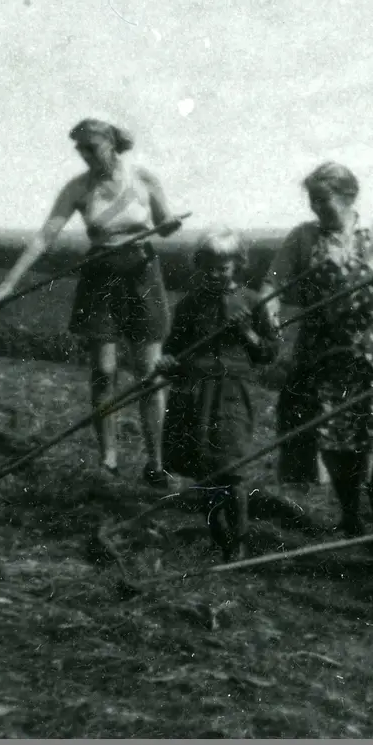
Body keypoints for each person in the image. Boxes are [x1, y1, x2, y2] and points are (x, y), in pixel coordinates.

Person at [0, 118, 182, 488]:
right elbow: (45, 236)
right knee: (103, 372)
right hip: (100, 278)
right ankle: (108, 458)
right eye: (80, 149)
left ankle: (156, 464)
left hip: (142, 275)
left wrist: (169, 224)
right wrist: (8, 283)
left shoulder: (144, 179)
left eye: (91, 147)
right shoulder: (77, 188)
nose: (84, 155)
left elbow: (164, 222)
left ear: (111, 144)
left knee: (149, 372)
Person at [260, 162, 373, 548]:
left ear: (349, 197)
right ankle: (351, 517)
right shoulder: (303, 238)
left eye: (325, 200)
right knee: (338, 442)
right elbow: (274, 280)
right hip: (326, 358)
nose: (317, 208)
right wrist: (269, 309)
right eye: (313, 201)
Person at [155, 228, 282, 561]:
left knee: (232, 467)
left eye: (222, 267)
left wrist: (248, 333)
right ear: (199, 266)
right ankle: (220, 537)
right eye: (208, 266)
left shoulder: (253, 302)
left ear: (237, 265)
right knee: (205, 471)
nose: (215, 274)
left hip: (232, 394)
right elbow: (174, 353)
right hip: (193, 394)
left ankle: (238, 541)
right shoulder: (189, 305)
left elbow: (269, 353)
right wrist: (168, 363)